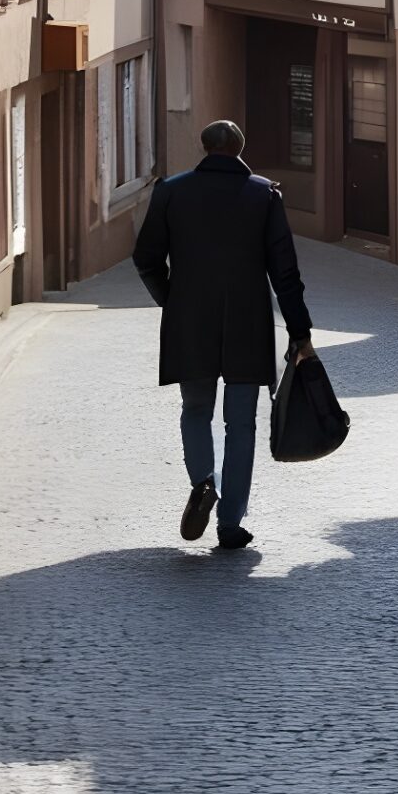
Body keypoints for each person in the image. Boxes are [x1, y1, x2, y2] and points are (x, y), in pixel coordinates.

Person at [133, 118, 313, 550]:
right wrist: (299, 331)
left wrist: (170, 299)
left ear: (204, 147)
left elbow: (145, 258)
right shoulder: (263, 195)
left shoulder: (171, 191)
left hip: (189, 319)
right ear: (239, 150)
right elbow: (284, 272)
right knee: (241, 423)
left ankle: (202, 483)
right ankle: (230, 523)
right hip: (248, 323)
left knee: (195, 409)